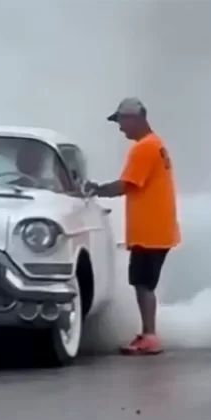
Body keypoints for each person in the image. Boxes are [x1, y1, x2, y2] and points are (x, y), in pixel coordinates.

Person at [85, 97, 181, 355]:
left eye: (121, 121)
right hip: (158, 228)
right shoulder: (156, 143)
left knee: (143, 283)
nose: (120, 128)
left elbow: (126, 185)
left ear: (134, 118)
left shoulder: (144, 149)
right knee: (143, 282)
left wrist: (95, 190)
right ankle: (148, 333)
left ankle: (150, 336)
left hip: (150, 231)